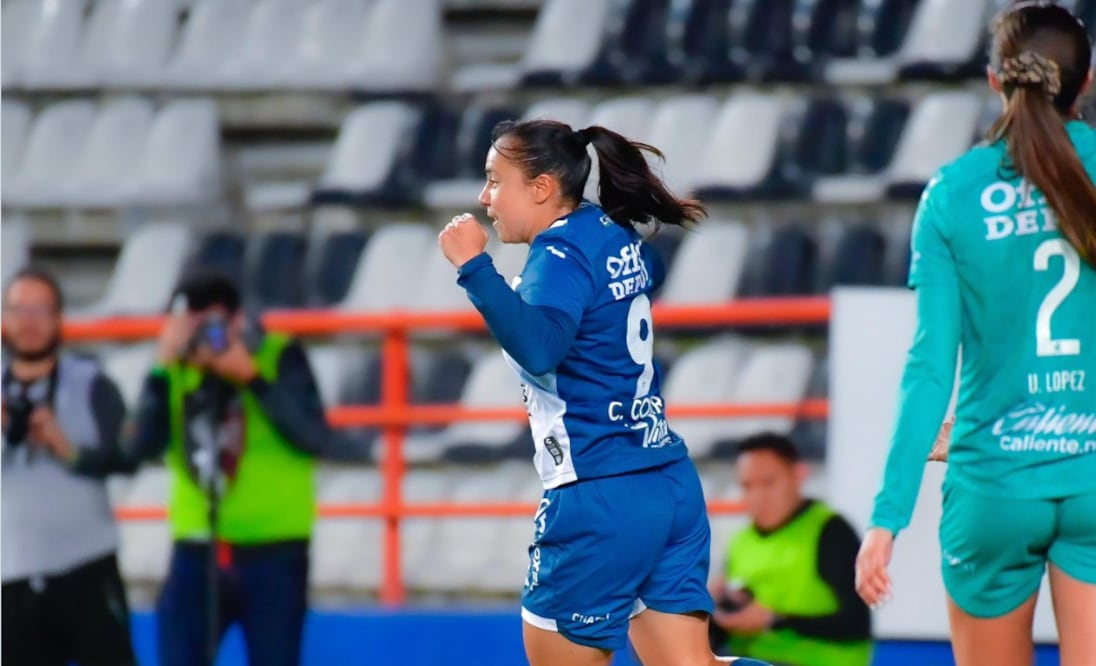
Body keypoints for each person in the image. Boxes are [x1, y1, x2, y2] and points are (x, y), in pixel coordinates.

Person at [438, 120, 769, 666]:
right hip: (668, 482)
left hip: (598, 494)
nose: (484, 197)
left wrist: (474, 268)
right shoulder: (606, 231)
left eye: (495, 180)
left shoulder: (560, 254)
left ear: (541, 188)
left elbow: (541, 348)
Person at [856, 4, 1096, 666]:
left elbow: (931, 367)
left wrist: (886, 519)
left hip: (993, 482)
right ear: (1088, 79)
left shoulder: (952, 194)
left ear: (995, 80)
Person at [121, 270, 370, 666]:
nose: (207, 339)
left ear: (238, 320)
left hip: (274, 550)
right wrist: (159, 368)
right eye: (195, 327)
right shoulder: (175, 367)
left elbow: (312, 436)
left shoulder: (277, 353)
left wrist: (252, 378)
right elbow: (135, 450)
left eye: (216, 326)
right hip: (197, 550)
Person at [1, 267, 137, 666]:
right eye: (19, 310)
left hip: (86, 567)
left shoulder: (93, 383)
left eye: (40, 310)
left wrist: (68, 448)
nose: (28, 322)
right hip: (11, 573)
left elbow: (128, 458)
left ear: (60, 318)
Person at [709, 433, 871, 666]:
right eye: (747, 486)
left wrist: (775, 620)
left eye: (768, 482)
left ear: (798, 475)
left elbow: (855, 623)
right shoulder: (741, 541)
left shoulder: (830, 531)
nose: (757, 496)